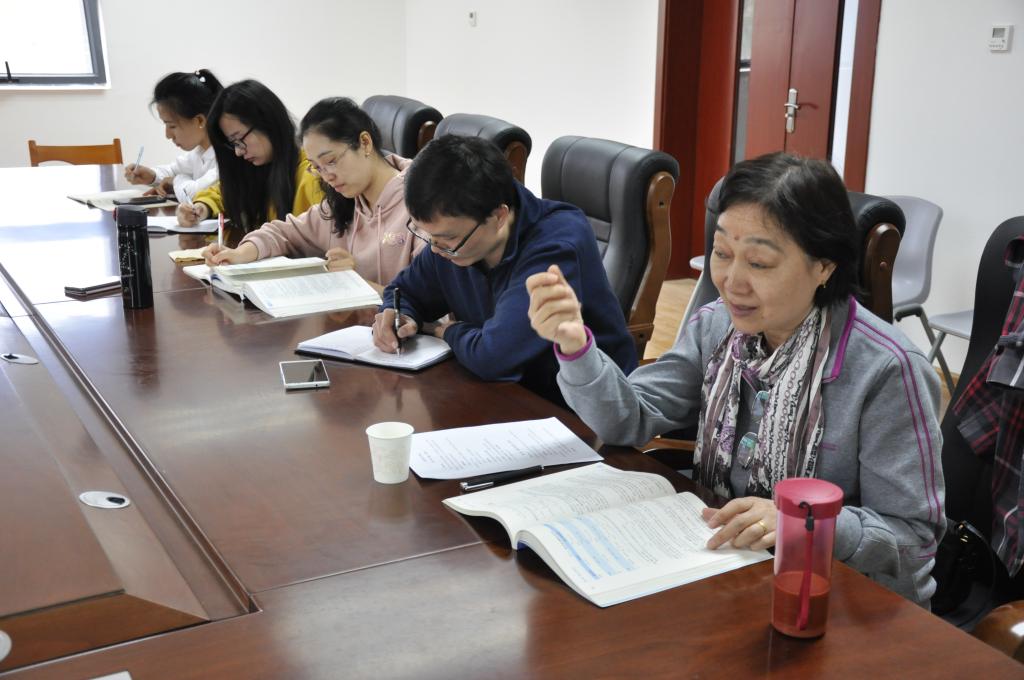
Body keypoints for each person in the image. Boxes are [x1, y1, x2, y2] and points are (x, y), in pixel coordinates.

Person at [526, 152, 946, 606]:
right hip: (733, 570)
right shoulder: (716, 326)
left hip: (848, 601)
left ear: (824, 267)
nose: (731, 282)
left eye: (759, 263)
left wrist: (804, 523)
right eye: (722, 254)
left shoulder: (886, 369)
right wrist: (575, 347)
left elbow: (913, 538)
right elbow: (629, 418)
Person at [371, 134, 637, 405]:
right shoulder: (453, 240)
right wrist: (399, 314)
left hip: (579, 408)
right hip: (499, 394)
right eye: (426, 234)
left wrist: (447, 331)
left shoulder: (555, 246)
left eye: (447, 238)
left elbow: (494, 357)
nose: (435, 248)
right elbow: (403, 291)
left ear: (498, 216)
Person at [201, 97, 422, 289]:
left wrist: (357, 282)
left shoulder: (422, 204)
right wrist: (238, 254)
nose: (327, 177)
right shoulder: (343, 202)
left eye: (331, 161)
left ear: (365, 143)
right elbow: (284, 232)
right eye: (317, 167)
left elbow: (429, 308)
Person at [176, 79, 322, 230]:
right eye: (233, 144)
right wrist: (201, 207)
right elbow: (225, 192)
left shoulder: (312, 177)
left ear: (267, 122)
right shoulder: (259, 167)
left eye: (239, 139)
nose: (238, 151)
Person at [124, 69, 223, 203]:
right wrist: (152, 176)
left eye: (172, 126)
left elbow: (194, 194)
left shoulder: (226, 155)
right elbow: (173, 170)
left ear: (200, 121)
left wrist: (176, 180)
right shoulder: (200, 152)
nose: (168, 135)